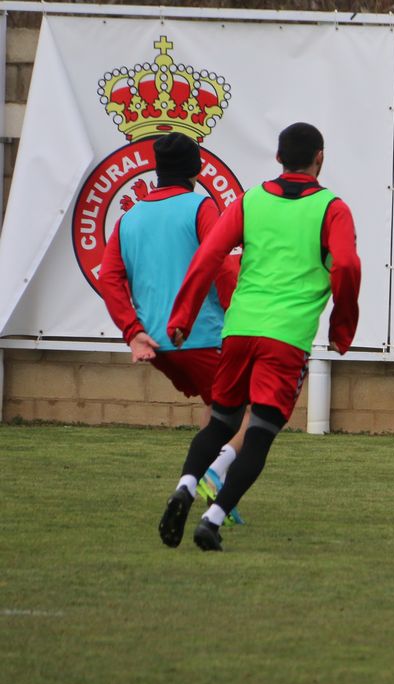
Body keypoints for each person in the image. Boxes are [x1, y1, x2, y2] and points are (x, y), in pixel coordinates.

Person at [160, 122, 361, 551]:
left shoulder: (250, 200)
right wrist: (342, 326)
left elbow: (210, 253)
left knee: (220, 423)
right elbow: (345, 265)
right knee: (261, 431)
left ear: (277, 158)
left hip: (239, 329)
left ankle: (185, 485)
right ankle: (212, 520)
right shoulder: (332, 208)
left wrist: (183, 315)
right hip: (284, 338)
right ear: (320, 158)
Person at [97, 133, 247, 532]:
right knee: (260, 410)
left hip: (156, 344)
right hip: (203, 336)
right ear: (197, 170)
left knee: (217, 409)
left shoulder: (129, 218)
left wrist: (133, 331)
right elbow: (221, 264)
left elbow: (109, 278)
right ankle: (210, 481)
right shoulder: (201, 207)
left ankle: (215, 488)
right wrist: (243, 313)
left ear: (156, 170)